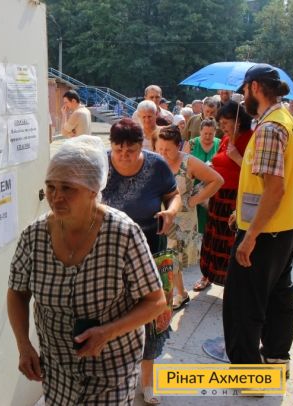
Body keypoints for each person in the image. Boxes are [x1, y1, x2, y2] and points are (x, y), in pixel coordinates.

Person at [7, 135, 166, 405]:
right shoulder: (34, 236)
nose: (56, 197)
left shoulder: (123, 234)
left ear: (93, 190)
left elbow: (156, 302)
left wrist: (107, 332)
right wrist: (24, 345)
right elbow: (17, 293)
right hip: (57, 371)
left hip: (112, 371)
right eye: (51, 187)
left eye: (68, 188)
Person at [103, 118, 181, 405]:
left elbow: (174, 195)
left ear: (142, 146)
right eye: (118, 149)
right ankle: (115, 377)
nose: (124, 155)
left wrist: (170, 212)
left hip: (150, 251)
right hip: (109, 254)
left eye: (131, 150)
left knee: (152, 317)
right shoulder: (100, 165)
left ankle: (147, 381)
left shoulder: (156, 165)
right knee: (113, 314)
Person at [223, 64, 293, 370]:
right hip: (284, 228)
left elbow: (275, 189)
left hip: (264, 233)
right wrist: (241, 212)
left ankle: (247, 375)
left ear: (254, 87)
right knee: (280, 296)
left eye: (244, 90)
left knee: (243, 305)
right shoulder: (287, 121)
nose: (243, 97)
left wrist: (250, 234)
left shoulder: (269, 129)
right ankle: (276, 355)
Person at [155, 125, 223, 310]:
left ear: (179, 146)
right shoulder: (157, 160)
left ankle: (175, 295)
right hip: (162, 215)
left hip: (183, 219)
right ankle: (180, 293)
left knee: (172, 257)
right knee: (168, 256)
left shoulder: (189, 162)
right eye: (160, 148)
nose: (163, 153)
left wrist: (194, 200)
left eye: (167, 149)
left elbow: (217, 180)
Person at [197, 102, 253, 291]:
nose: (221, 127)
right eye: (220, 123)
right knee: (212, 237)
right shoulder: (226, 138)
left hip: (234, 198)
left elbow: (255, 172)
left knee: (228, 240)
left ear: (238, 121)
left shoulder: (251, 138)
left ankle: (230, 282)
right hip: (217, 195)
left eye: (225, 122)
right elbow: (219, 161)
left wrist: (237, 157)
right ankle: (207, 275)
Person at [183, 118, 221, 238]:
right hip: (193, 189)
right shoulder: (192, 143)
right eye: (205, 133)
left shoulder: (220, 144)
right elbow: (183, 165)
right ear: (200, 132)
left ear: (215, 132)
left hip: (212, 189)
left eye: (211, 134)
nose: (208, 136)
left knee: (210, 222)